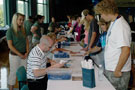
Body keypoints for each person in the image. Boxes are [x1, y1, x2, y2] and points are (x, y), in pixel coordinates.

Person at [95, 0, 131, 90]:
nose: (101, 16)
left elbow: (126, 50)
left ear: (107, 11)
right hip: (112, 68)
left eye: (101, 14)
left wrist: (118, 69)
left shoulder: (121, 26)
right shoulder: (113, 23)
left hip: (118, 70)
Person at [6, 13, 29, 90]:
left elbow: (27, 41)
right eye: (20, 19)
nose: (22, 21)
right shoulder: (10, 31)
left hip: (24, 55)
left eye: (23, 20)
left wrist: (27, 51)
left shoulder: (23, 29)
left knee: (25, 73)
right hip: (14, 56)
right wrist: (19, 54)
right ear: (15, 20)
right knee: (13, 74)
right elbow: (10, 46)